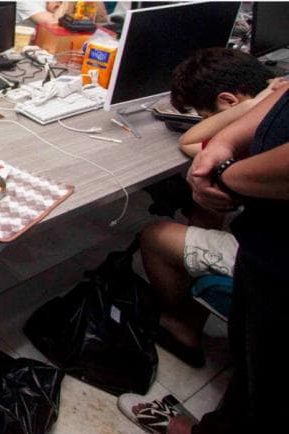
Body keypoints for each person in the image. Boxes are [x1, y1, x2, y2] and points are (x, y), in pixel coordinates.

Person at [134, 80, 289, 434]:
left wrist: (224, 174)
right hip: (261, 244)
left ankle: (180, 325)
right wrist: (225, 145)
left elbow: (192, 142)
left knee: (270, 385)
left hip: (279, 263)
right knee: (252, 372)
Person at [138, 48, 280, 370]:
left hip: (274, 258)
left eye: (206, 116)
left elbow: (190, 141)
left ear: (229, 101)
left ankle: (180, 324)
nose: (207, 123)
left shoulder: (262, 130)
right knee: (206, 211)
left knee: (155, 236)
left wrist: (251, 108)